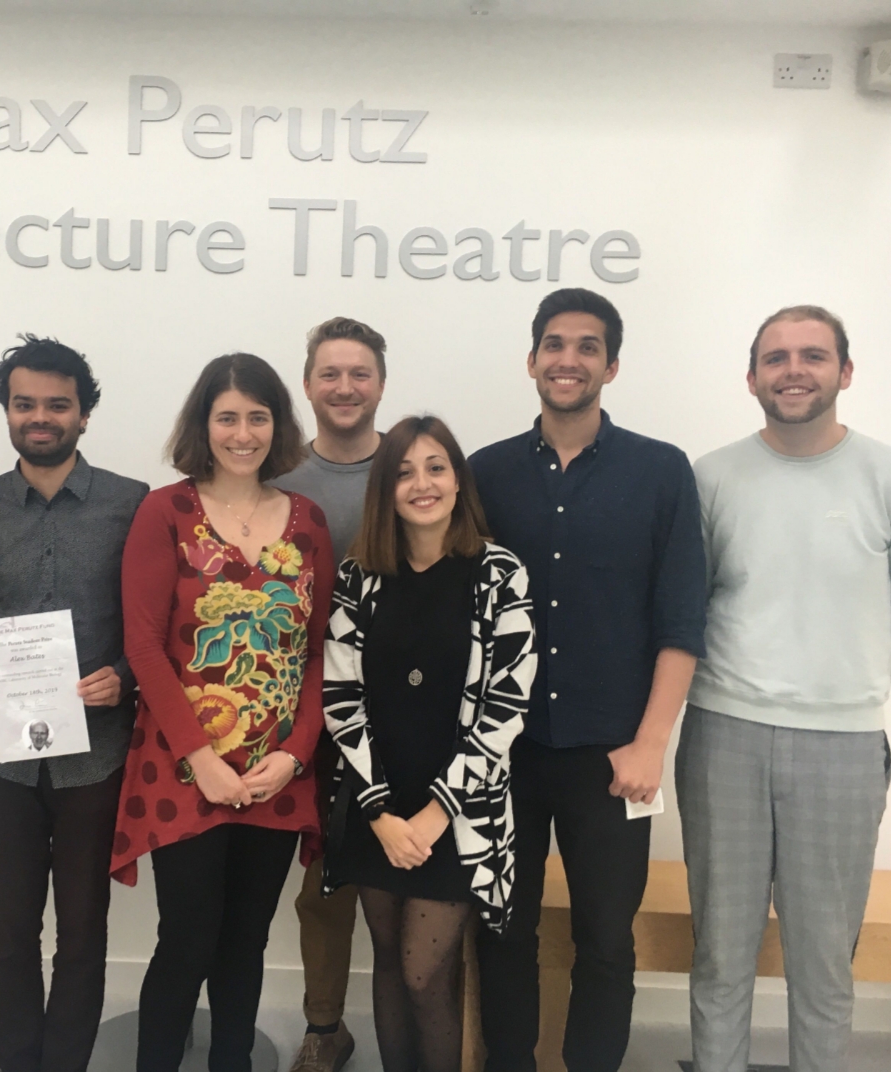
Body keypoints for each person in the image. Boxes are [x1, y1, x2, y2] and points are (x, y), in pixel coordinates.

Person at [469, 289, 707, 1072]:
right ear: (531, 359)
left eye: (586, 346)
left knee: (604, 939)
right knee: (502, 929)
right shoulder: (485, 473)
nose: (567, 359)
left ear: (611, 365)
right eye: (553, 344)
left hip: (612, 755)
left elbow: (680, 621)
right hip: (504, 750)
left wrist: (650, 744)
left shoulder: (660, 471)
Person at [679, 306, 891, 1072]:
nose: (793, 370)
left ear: (844, 371)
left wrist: (842, 683)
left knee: (822, 963)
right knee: (720, 953)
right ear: (750, 378)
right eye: (775, 358)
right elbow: (688, 608)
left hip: (843, 747)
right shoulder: (711, 476)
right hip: (722, 737)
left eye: (812, 356)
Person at [112, 352, 333, 1072]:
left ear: (278, 425)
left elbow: (317, 651)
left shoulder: (307, 521)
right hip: (184, 768)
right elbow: (144, 648)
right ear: (203, 425)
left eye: (257, 417)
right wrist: (201, 759)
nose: (243, 434)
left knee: (246, 942)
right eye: (227, 417)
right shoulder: (164, 511)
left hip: (277, 772)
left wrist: (295, 753)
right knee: (188, 939)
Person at [0, 336, 148, 1072]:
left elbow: (152, 622)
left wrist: (123, 675)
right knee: (9, 933)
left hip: (96, 754)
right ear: (6, 410)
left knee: (83, 932)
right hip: (0, 758)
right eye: (24, 403)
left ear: (83, 414)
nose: (40, 417)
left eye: (56, 405)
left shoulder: (132, 504)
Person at [322, 415, 536, 1072]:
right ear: (384, 490)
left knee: (423, 974)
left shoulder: (500, 574)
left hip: (459, 814)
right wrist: (380, 813)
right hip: (378, 805)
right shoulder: (359, 575)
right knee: (388, 963)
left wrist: (436, 812)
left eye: (436, 467)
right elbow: (340, 696)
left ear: (458, 480)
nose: (422, 484)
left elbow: (505, 708)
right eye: (404, 472)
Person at [274, 315, 388, 1072]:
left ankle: (425, 1024)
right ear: (308, 384)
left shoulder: (414, 467)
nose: (344, 387)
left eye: (359, 373)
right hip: (306, 715)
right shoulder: (277, 479)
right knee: (322, 884)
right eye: (330, 373)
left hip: (403, 711)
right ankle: (324, 1026)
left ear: (380, 382)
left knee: (413, 883)